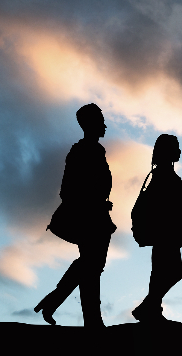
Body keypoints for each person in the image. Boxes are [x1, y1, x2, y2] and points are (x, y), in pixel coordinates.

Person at [35, 103, 116, 327]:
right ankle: (92, 320)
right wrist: (90, 204)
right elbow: (67, 190)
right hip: (88, 218)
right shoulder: (80, 151)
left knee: (91, 265)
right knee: (92, 266)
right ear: (89, 123)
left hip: (97, 215)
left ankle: (55, 302)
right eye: (100, 120)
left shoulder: (97, 150)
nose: (105, 124)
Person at [132, 134, 182, 322]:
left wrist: (180, 207)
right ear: (168, 151)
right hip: (165, 231)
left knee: (162, 272)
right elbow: (160, 204)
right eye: (176, 147)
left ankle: (151, 309)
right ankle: (148, 308)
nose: (180, 151)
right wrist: (178, 207)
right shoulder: (162, 175)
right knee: (171, 272)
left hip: (168, 230)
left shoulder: (163, 173)